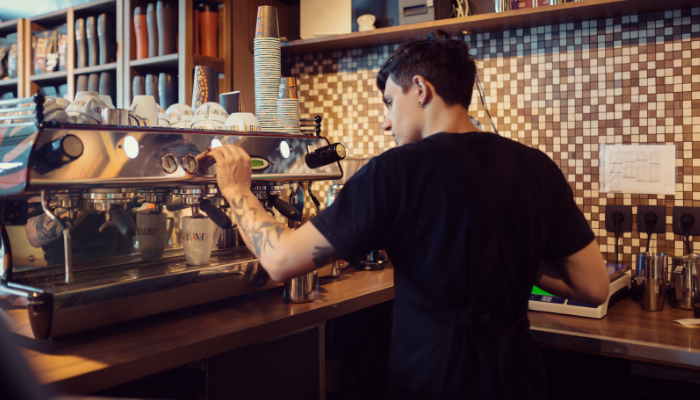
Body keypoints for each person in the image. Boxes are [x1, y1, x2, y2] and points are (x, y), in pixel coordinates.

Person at [204, 30, 610, 399]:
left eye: (388, 101)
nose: (385, 122)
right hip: (520, 380)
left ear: (420, 89)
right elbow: (594, 286)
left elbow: (279, 260)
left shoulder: (397, 171)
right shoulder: (536, 166)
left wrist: (238, 189)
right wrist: (508, 248)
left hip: (435, 378)